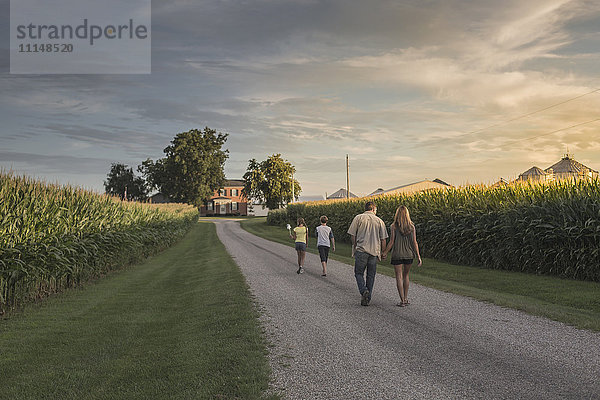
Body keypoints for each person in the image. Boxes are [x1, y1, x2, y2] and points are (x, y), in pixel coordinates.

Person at [347, 201, 388, 306]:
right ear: (374, 209)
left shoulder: (358, 218)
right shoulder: (379, 221)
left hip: (361, 250)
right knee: (371, 275)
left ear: (365, 208)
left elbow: (352, 234)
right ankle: (367, 297)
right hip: (374, 252)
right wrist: (384, 252)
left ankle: (363, 290)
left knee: (358, 273)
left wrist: (355, 245)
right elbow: (383, 239)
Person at [383, 205, 422, 306]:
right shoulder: (411, 227)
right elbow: (414, 242)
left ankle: (402, 301)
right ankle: (406, 297)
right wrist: (418, 256)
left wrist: (385, 252)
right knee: (406, 275)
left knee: (399, 277)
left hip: (397, 254)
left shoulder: (393, 226)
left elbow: (391, 242)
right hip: (409, 254)